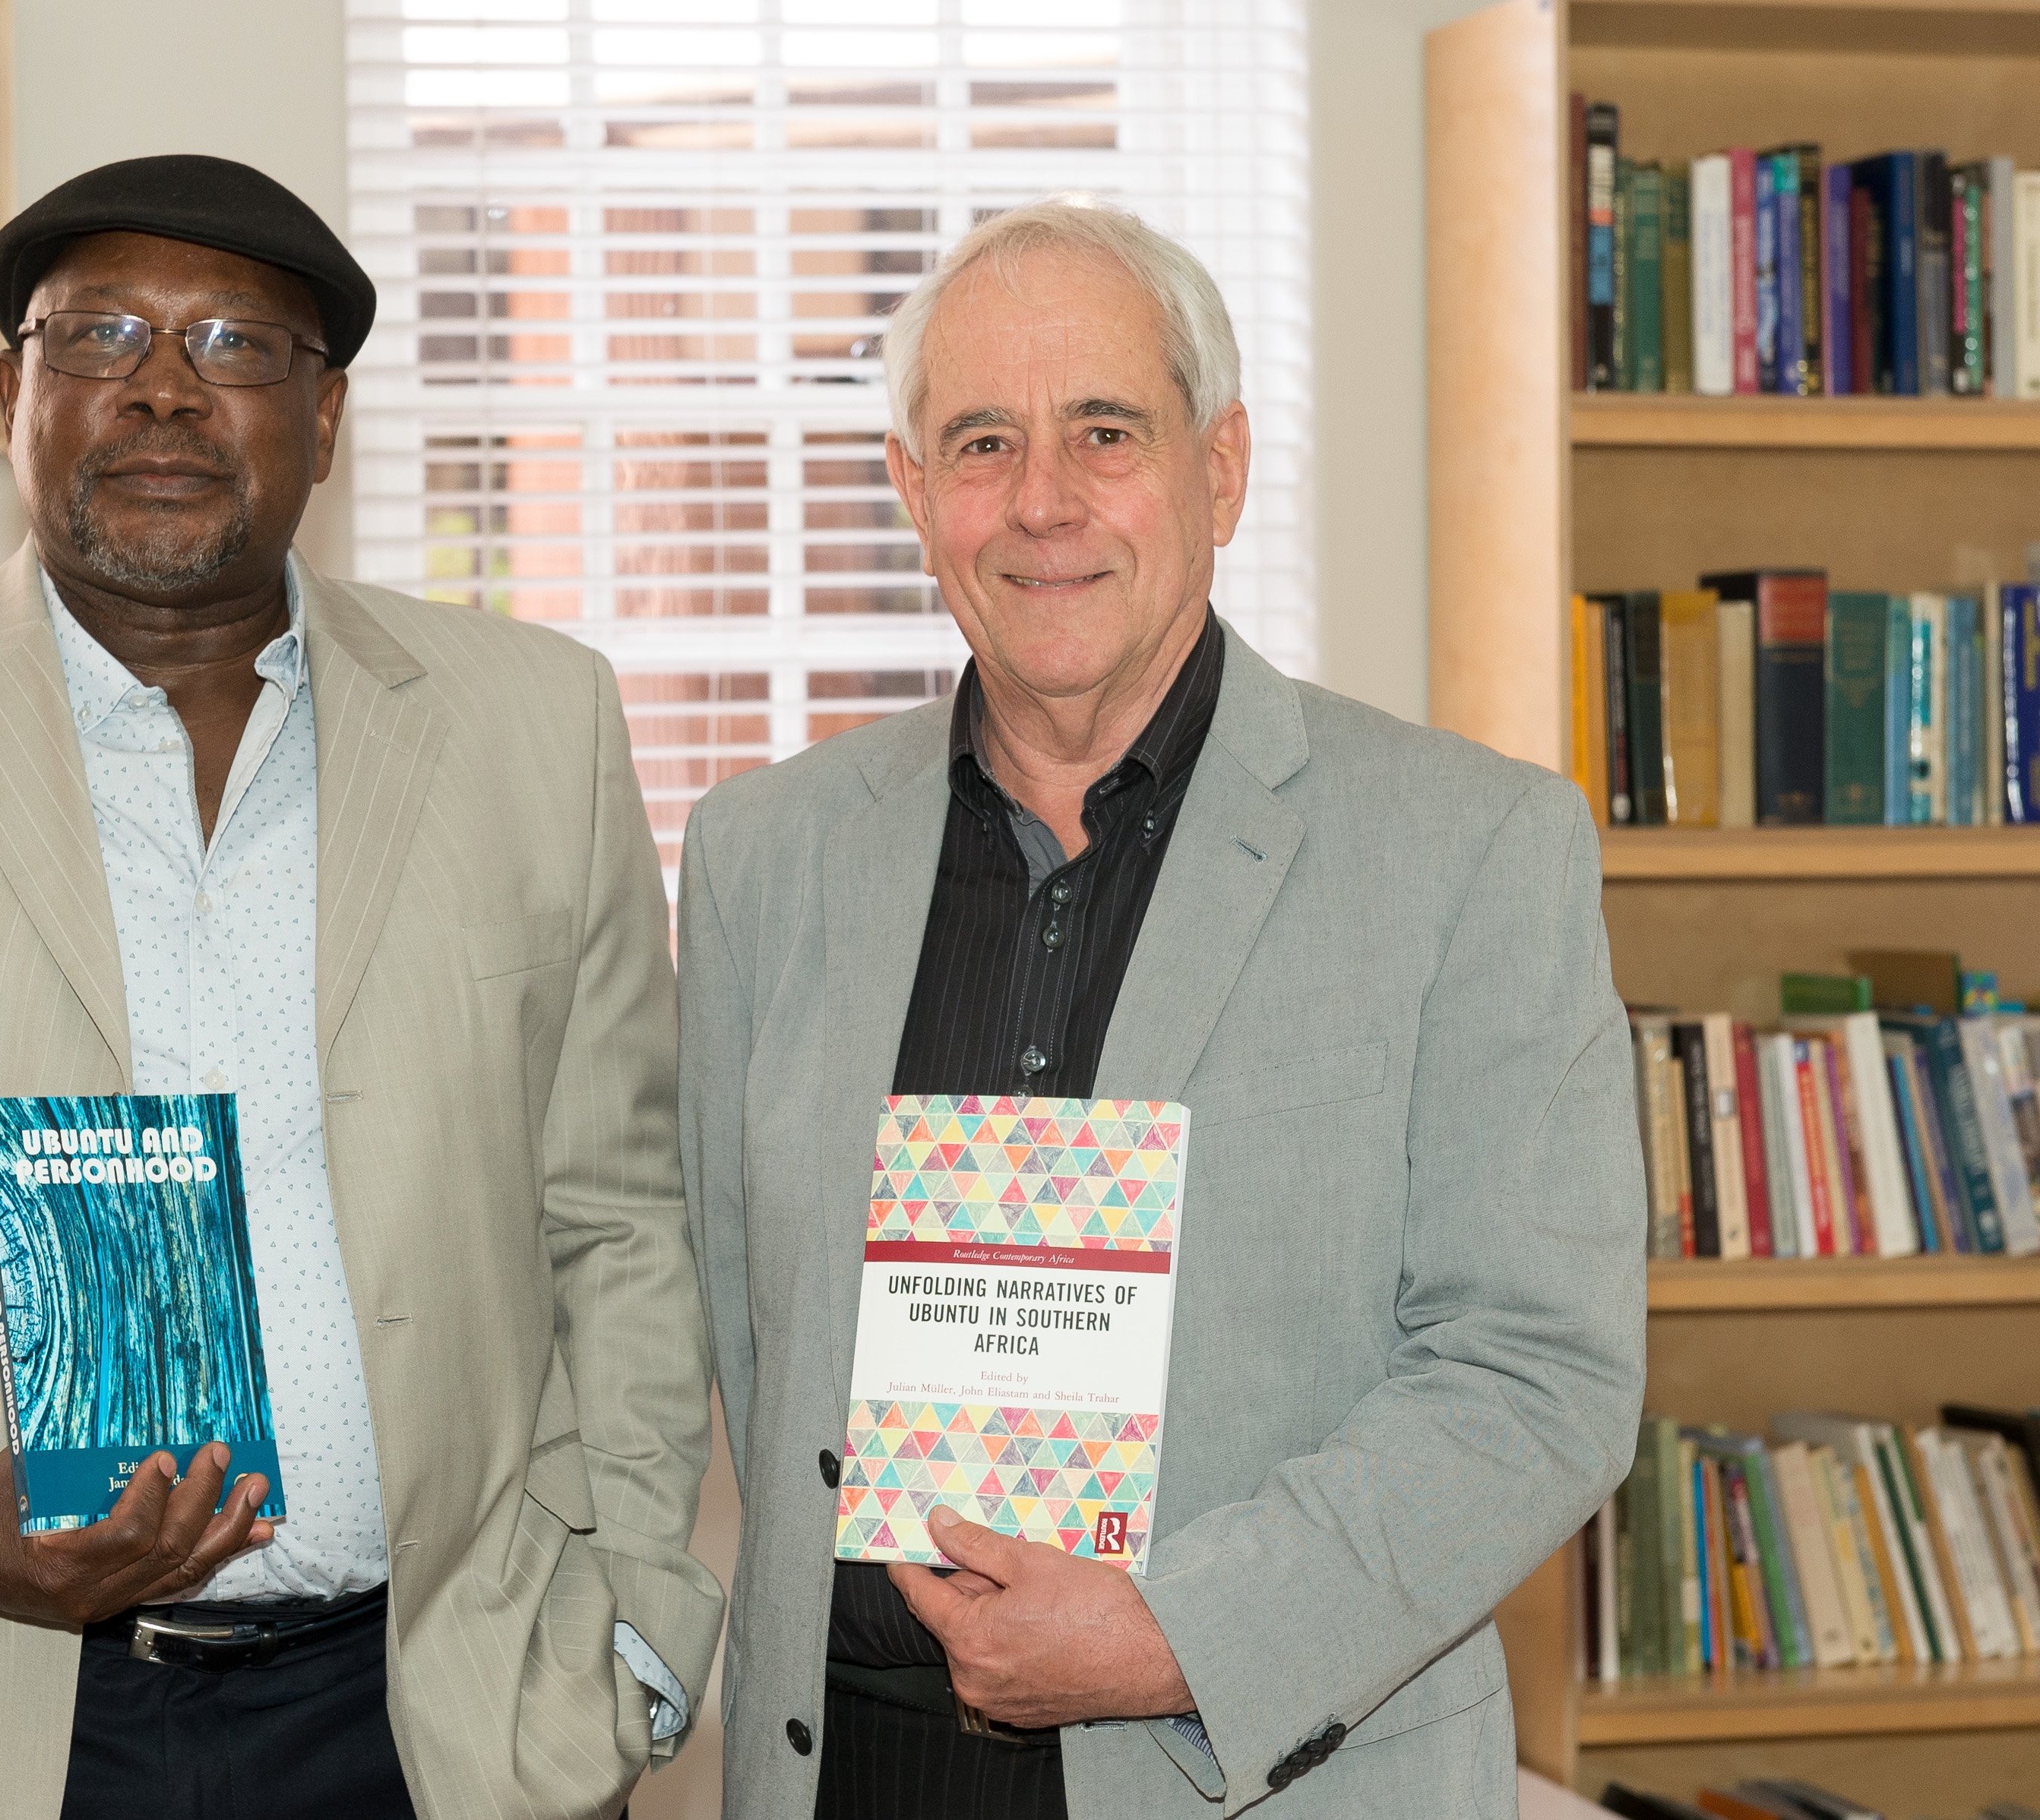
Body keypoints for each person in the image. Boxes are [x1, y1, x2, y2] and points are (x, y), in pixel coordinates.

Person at [0, 154, 721, 1820]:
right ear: (14, 391)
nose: (163, 390)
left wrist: (637, 1621)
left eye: (238, 348)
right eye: (100, 334)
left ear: (327, 415)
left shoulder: (531, 726)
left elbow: (620, 1214)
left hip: (440, 1722)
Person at [678, 197, 1646, 1818]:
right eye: (981, 440)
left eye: (1104, 430)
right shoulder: (760, 860)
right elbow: (741, 1322)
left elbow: (1536, 1372)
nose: (1042, 502)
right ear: (915, 495)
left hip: (1257, 1770)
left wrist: (1173, 1634)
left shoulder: (1474, 848)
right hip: (852, 1766)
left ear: (1221, 467)